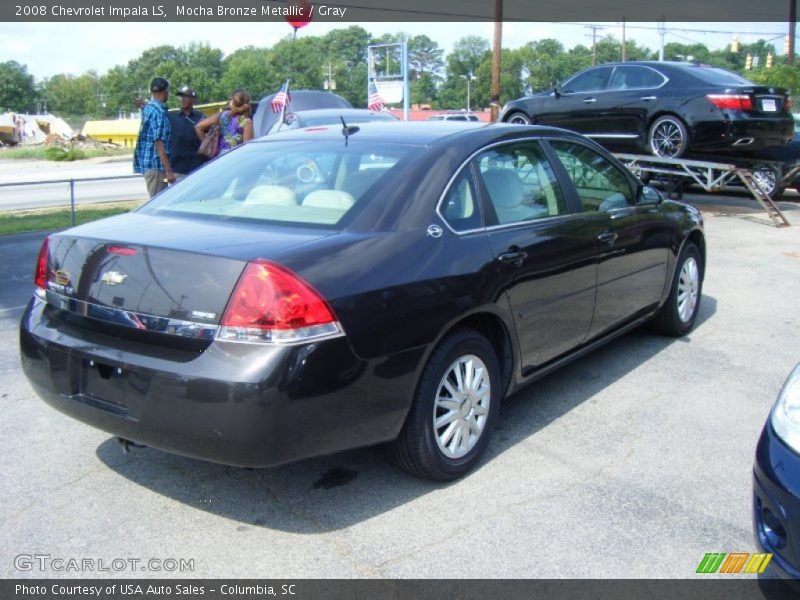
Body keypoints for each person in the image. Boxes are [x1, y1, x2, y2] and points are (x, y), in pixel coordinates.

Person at [133, 77, 175, 197]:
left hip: (148, 165)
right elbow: (159, 142)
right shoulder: (159, 113)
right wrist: (169, 170)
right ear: (165, 91)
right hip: (157, 166)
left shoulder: (149, 109)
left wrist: (142, 104)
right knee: (158, 204)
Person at [195, 89, 254, 155]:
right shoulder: (246, 121)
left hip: (220, 157)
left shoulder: (222, 116)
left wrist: (209, 147)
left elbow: (198, 127)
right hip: (236, 157)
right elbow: (248, 149)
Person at [167, 85, 207, 180]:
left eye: (186, 96)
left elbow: (209, 137)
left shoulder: (201, 116)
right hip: (177, 168)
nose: (182, 99)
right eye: (181, 96)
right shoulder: (171, 116)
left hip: (197, 167)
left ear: (193, 99)